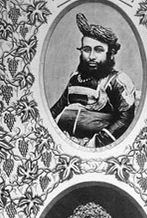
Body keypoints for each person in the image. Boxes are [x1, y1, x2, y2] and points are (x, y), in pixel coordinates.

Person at [50, 12, 136, 147]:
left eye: (98, 50)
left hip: (97, 147)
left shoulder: (118, 81)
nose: (91, 56)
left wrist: (94, 143)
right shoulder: (75, 78)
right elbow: (56, 109)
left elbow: (125, 120)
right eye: (86, 49)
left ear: (111, 54)